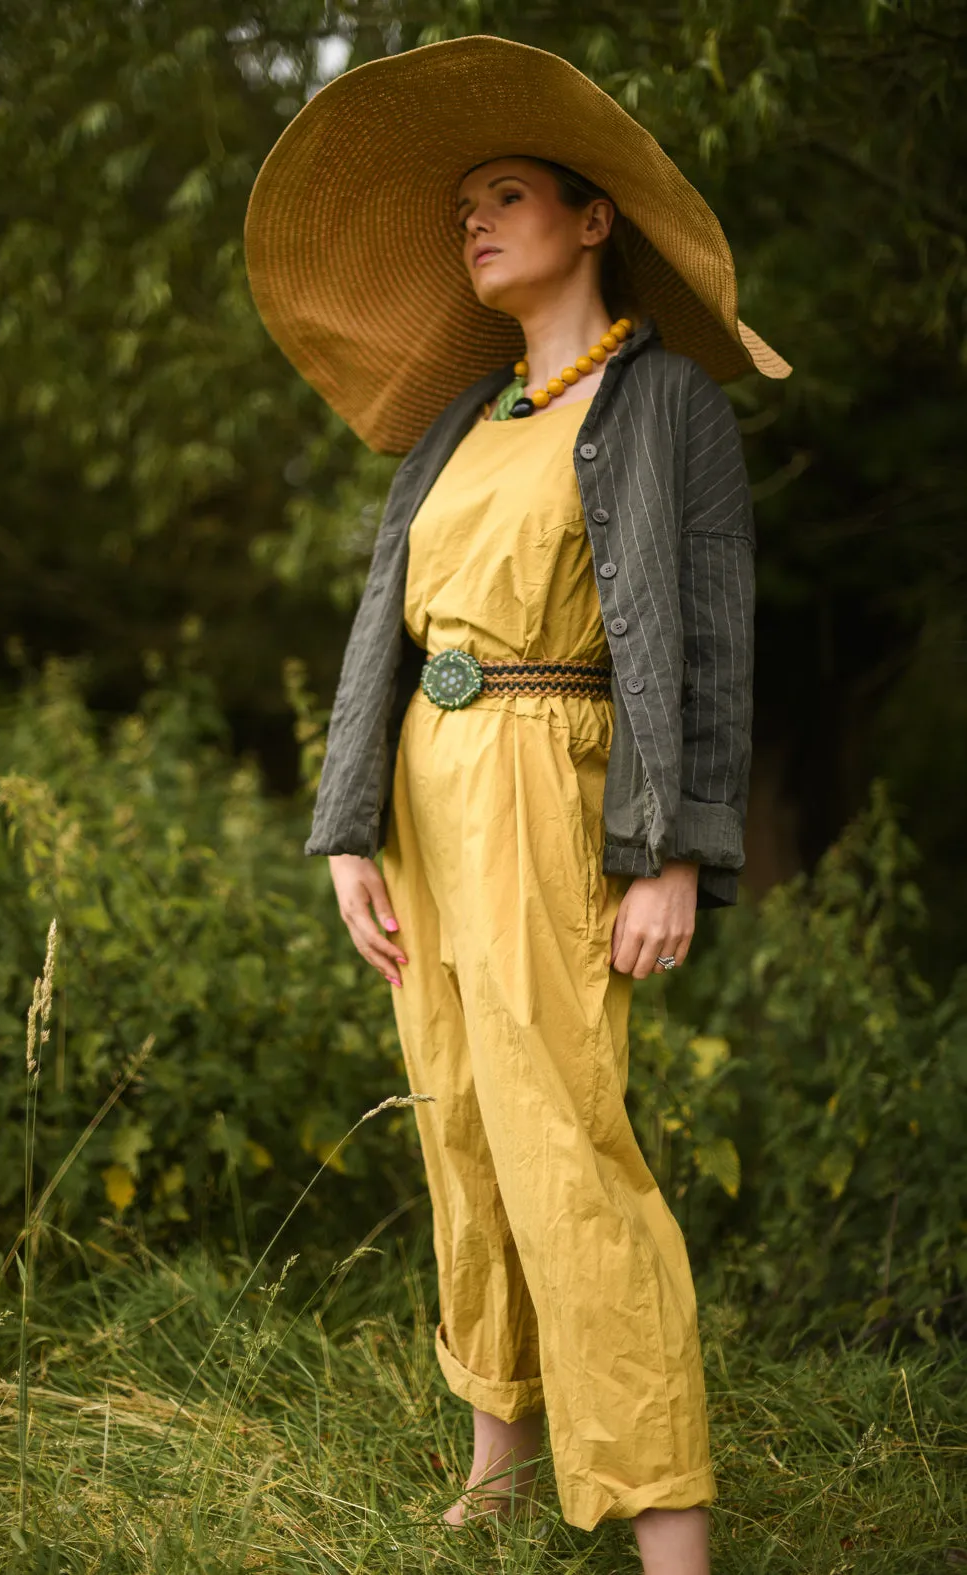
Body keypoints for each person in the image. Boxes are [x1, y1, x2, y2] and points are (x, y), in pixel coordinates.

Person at [243, 34, 790, 1575]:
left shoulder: (661, 401)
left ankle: (665, 1517)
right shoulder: (458, 424)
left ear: (591, 218)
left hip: (559, 788)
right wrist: (349, 823)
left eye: (505, 195)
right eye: (463, 206)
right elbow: (385, 628)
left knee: (567, 1140)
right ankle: (498, 1457)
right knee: (461, 1125)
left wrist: (672, 848)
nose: (475, 221)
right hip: (429, 794)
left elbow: (703, 635)